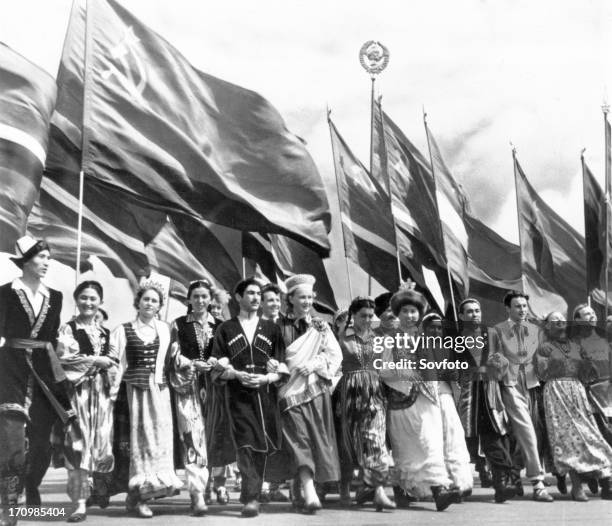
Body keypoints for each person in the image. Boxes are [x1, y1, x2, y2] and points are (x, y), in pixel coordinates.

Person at [0, 236, 74, 526]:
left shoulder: (55, 297)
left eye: (48, 257)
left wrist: (64, 346)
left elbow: (52, 337)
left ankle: (31, 485)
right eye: (41, 257)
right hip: (10, 369)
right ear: (25, 261)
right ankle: (9, 505)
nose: (46, 262)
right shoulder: (4, 293)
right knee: (12, 441)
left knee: (43, 445)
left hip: (44, 372)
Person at [210, 277, 288, 517]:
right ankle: (251, 498)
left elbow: (283, 367)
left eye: (258, 294)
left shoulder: (273, 329)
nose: (256, 298)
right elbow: (217, 364)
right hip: (238, 395)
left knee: (262, 445)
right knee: (245, 442)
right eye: (251, 294)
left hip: (265, 395)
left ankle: (253, 492)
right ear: (238, 298)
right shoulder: (226, 328)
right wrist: (235, 374)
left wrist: (267, 379)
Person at [380, 287, 458, 512]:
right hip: (401, 399)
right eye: (405, 311)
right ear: (398, 313)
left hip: (426, 398)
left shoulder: (426, 338)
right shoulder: (388, 339)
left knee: (430, 443)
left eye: (414, 311)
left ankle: (439, 490)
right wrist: (405, 374)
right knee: (406, 448)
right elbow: (382, 370)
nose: (410, 316)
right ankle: (403, 488)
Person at [111, 282, 183, 518]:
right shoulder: (123, 330)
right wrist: (111, 396)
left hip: (159, 392)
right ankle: (137, 496)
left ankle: (149, 493)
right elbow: (117, 365)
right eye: (146, 300)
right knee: (137, 443)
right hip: (134, 391)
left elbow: (172, 361)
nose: (150, 304)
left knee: (158, 442)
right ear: (138, 303)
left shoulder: (165, 329)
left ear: (160, 305)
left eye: (154, 301)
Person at [54, 281, 119, 522]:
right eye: (83, 297)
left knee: (101, 441)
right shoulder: (68, 329)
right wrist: (94, 361)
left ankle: (98, 487)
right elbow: (64, 360)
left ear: (100, 302)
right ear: (76, 299)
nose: (88, 303)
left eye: (93, 298)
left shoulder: (105, 332)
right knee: (78, 443)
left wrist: (110, 367)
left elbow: (114, 361)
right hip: (77, 393)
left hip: (101, 394)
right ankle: (79, 503)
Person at [277, 274, 342, 513]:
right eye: (301, 297)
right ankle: (310, 491)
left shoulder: (321, 325)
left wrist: (314, 364)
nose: (306, 301)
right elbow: (274, 358)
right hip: (288, 391)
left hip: (315, 391)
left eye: (309, 297)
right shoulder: (278, 326)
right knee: (298, 441)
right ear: (290, 298)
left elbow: (335, 356)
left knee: (315, 441)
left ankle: (303, 490)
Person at [534, 312, 612, 500]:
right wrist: (556, 363)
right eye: (555, 321)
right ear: (548, 327)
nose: (560, 323)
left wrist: (588, 364)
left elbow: (588, 375)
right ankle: (577, 487)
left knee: (589, 434)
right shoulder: (544, 348)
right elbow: (542, 373)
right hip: (556, 392)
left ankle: (605, 479)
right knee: (565, 439)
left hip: (577, 391)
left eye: (562, 319)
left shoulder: (577, 346)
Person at [489, 291, 553, 502]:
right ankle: (538, 483)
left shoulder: (536, 330)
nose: (522, 310)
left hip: (533, 384)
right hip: (510, 384)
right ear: (508, 308)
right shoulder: (497, 330)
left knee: (527, 433)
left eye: (525, 306)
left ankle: (515, 473)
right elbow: (493, 356)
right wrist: (499, 362)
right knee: (527, 432)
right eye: (517, 306)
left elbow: (542, 355)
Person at [335, 297, 394, 511]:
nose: (368, 320)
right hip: (349, 391)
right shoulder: (342, 336)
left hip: (374, 391)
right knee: (349, 442)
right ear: (354, 315)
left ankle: (378, 491)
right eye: (363, 316)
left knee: (375, 439)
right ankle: (344, 486)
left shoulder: (379, 337)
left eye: (371, 316)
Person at [169, 280, 222, 515]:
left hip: (215, 389)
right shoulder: (178, 324)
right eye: (196, 296)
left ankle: (211, 485)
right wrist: (190, 363)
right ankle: (197, 494)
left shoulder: (221, 326)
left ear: (210, 299)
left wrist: (214, 362)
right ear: (188, 299)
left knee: (212, 437)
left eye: (204, 296)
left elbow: (227, 354)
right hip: (188, 387)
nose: (200, 301)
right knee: (192, 436)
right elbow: (172, 353)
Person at [455, 298, 516, 503]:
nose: (475, 314)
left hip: (490, 390)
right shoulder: (455, 338)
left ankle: (502, 483)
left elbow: (504, 359)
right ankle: (459, 483)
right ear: (462, 316)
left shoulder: (491, 333)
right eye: (470, 311)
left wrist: (498, 363)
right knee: (466, 437)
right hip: (468, 392)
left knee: (495, 434)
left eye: (477, 310)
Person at [421, 313, 473, 499]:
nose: (436, 331)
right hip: (427, 396)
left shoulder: (446, 347)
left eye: (439, 328)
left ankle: (459, 482)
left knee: (453, 436)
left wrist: (452, 372)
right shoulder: (420, 346)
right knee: (434, 439)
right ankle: (441, 483)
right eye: (432, 327)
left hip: (445, 395)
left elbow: (453, 373)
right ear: (424, 329)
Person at [258, 283, 290, 504]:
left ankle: (275, 484)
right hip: (260, 387)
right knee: (261, 433)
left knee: (280, 435)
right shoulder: (254, 326)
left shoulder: (286, 326)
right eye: (270, 300)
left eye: (277, 300)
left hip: (284, 387)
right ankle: (260, 484)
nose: (275, 304)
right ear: (260, 303)